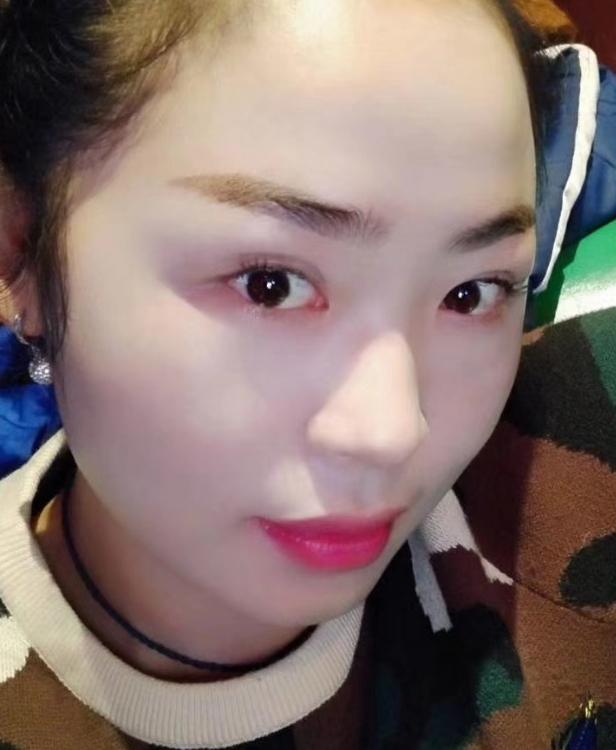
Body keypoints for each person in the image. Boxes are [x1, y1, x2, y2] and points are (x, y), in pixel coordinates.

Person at [0, 0, 566, 747]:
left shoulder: (562, 499)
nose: (393, 433)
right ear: (21, 252)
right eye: (270, 285)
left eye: (473, 293)